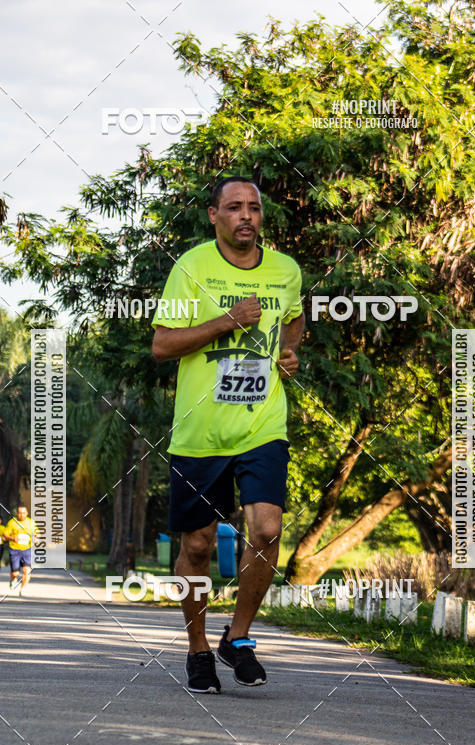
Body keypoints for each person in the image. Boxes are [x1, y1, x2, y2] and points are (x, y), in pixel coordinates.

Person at [152, 176, 304, 693]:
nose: (246, 216)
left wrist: (289, 352)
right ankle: (198, 650)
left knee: (265, 529)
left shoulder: (285, 270)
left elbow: (295, 319)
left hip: (262, 425)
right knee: (195, 547)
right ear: (213, 215)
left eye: (254, 208)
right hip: (200, 434)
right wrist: (227, 321)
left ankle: (237, 637)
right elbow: (163, 345)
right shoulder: (190, 268)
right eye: (234, 207)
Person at [4, 505, 36, 596]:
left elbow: (37, 534)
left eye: (23, 513)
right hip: (15, 550)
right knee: (15, 573)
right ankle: (13, 579)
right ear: (17, 513)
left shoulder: (31, 523)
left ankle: (23, 588)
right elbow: (5, 535)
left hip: (27, 550)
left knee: (27, 571)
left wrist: (36, 539)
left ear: (27, 513)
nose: (22, 515)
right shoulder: (12, 522)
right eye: (20, 513)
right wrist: (13, 538)